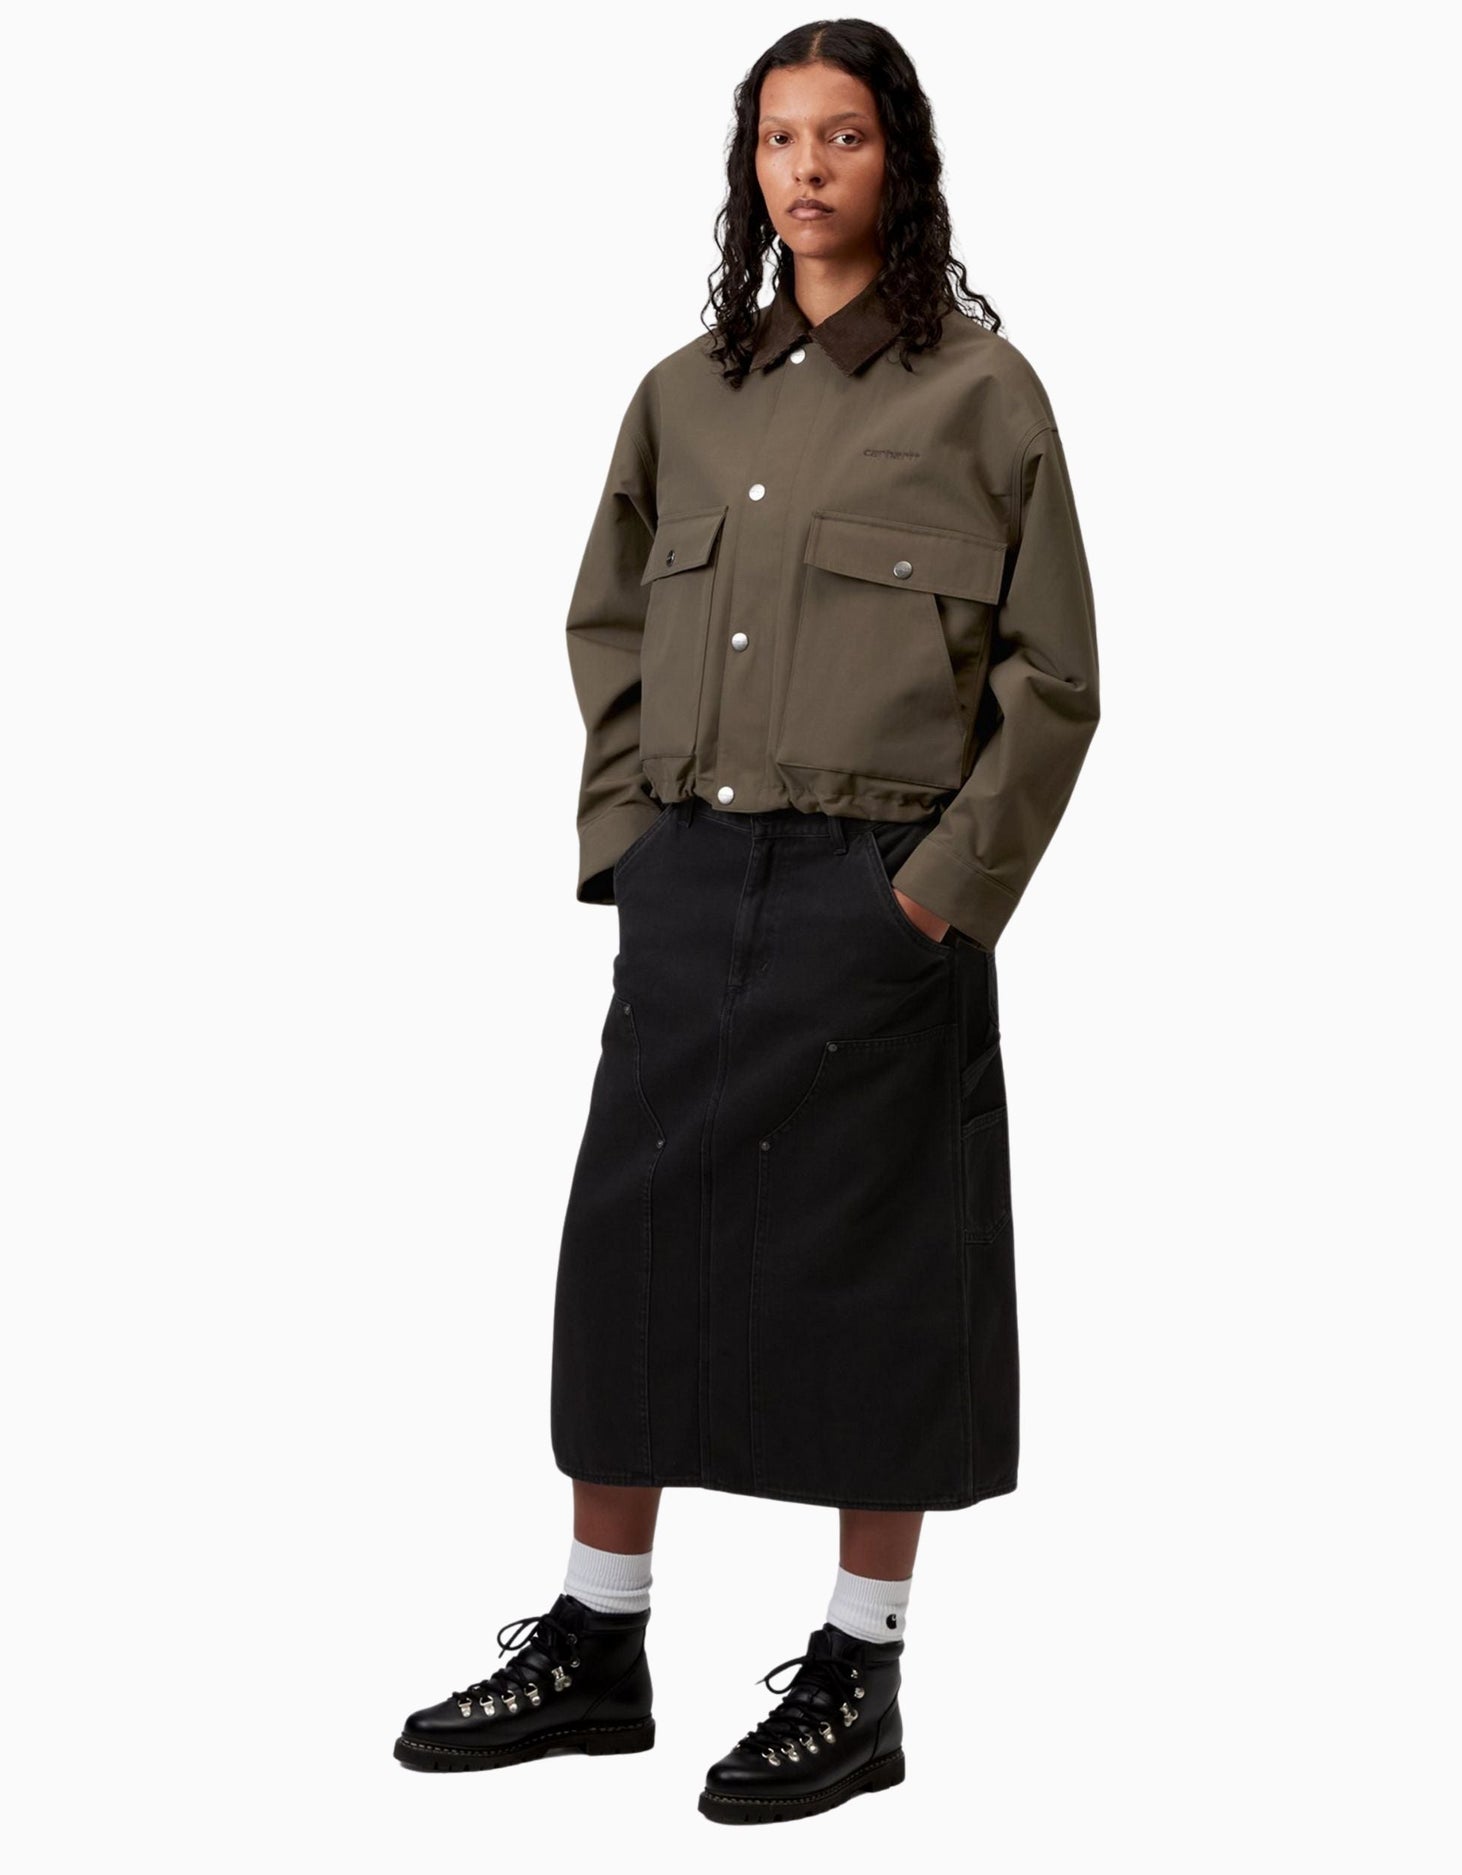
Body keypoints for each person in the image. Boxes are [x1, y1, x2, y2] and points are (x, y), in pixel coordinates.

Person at [393, 19, 1099, 1825]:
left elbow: (1055, 678)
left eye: (841, 136)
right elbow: (608, 625)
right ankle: (597, 1641)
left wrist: (935, 897)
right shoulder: (682, 396)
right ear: (749, 167)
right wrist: (631, 848)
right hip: (695, 885)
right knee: (629, 1254)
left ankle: (860, 1672)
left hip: (879, 901)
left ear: (898, 161)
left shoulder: (984, 396)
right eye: (779, 138)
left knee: (881, 1274)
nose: (806, 168)